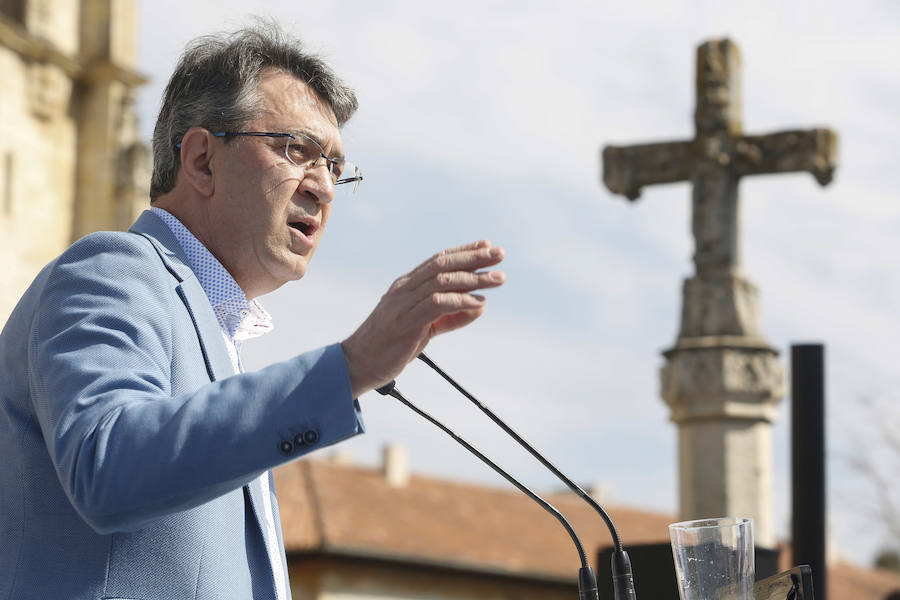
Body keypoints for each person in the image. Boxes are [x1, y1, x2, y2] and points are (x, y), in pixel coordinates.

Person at [0, 24, 504, 600]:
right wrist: (350, 367)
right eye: (298, 151)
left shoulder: (214, 331)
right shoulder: (111, 271)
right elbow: (109, 465)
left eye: (335, 166)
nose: (325, 187)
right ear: (202, 161)